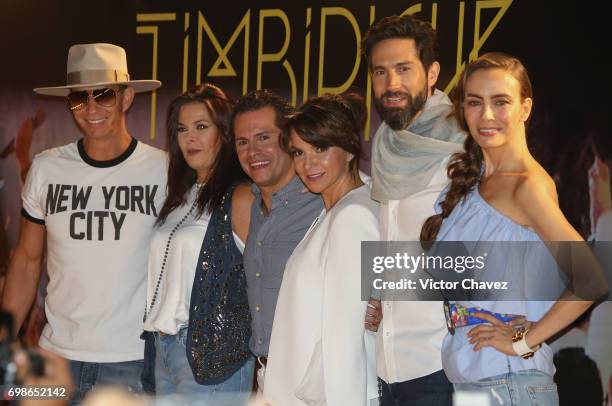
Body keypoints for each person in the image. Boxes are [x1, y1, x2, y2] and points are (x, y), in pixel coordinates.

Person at [420, 52, 595, 404]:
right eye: (474, 102)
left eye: (501, 102)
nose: (486, 115)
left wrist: (524, 340)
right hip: (476, 383)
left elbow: (590, 278)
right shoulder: (475, 182)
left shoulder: (525, 186)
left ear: (525, 109)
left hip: (509, 385)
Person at [0, 43, 167, 401]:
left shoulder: (163, 170)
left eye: (103, 95)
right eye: (80, 97)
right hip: (53, 358)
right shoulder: (46, 168)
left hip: (132, 362)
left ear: (126, 98)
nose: (90, 109)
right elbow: (27, 261)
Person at [363, 14, 465, 405]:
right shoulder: (386, 145)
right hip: (387, 366)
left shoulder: (464, 148)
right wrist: (380, 292)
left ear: (433, 72)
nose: (391, 85)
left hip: (442, 365)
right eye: (380, 72)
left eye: (404, 69)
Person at [263, 93, 379, 405]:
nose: (308, 164)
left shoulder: (352, 216)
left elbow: (346, 333)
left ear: (350, 150)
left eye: (321, 148)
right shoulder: (338, 208)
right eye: (299, 152)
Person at [143, 84, 254, 403]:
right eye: (182, 128)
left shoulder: (240, 196)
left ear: (224, 133)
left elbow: (266, 278)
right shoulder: (178, 196)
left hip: (213, 352)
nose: (189, 137)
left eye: (201, 127)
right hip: (163, 350)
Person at [231, 90, 324, 390]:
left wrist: (379, 303)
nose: (252, 151)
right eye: (242, 142)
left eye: (263, 138)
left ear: (289, 139)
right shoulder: (253, 205)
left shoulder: (324, 200)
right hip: (265, 375)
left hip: (312, 379)